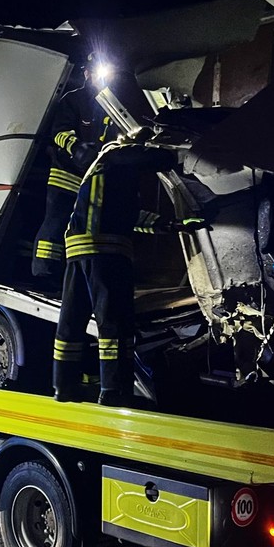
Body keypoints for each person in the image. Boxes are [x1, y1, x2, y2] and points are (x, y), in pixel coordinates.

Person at [53, 128, 180, 406]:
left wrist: (166, 225)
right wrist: (178, 153)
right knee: (114, 324)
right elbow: (151, 157)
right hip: (106, 253)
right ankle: (113, 390)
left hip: (80, 252)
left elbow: (130, 218)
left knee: (71, 323)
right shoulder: (115, 153)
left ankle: (64, 386)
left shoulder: (113, 174)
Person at [31, 54, 117, 281]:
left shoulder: (112, 104)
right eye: (93, 71)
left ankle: (71, 276)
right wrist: (76, 147)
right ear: (86, 73)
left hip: (93, 179)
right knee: (57, 221)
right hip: (65, 173)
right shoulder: (74, 99)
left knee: (84, 231)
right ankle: (44, 273)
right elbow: (59, 132)